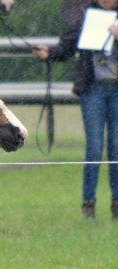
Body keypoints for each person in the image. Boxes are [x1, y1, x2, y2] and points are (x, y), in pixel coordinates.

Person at [33, 0, 118, 220]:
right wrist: (50, 52)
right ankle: (88, 202)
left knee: (117, 149)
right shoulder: (86, 14)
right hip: (93, 89)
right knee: (95, 148)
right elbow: (69, 46)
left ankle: (117, 203)